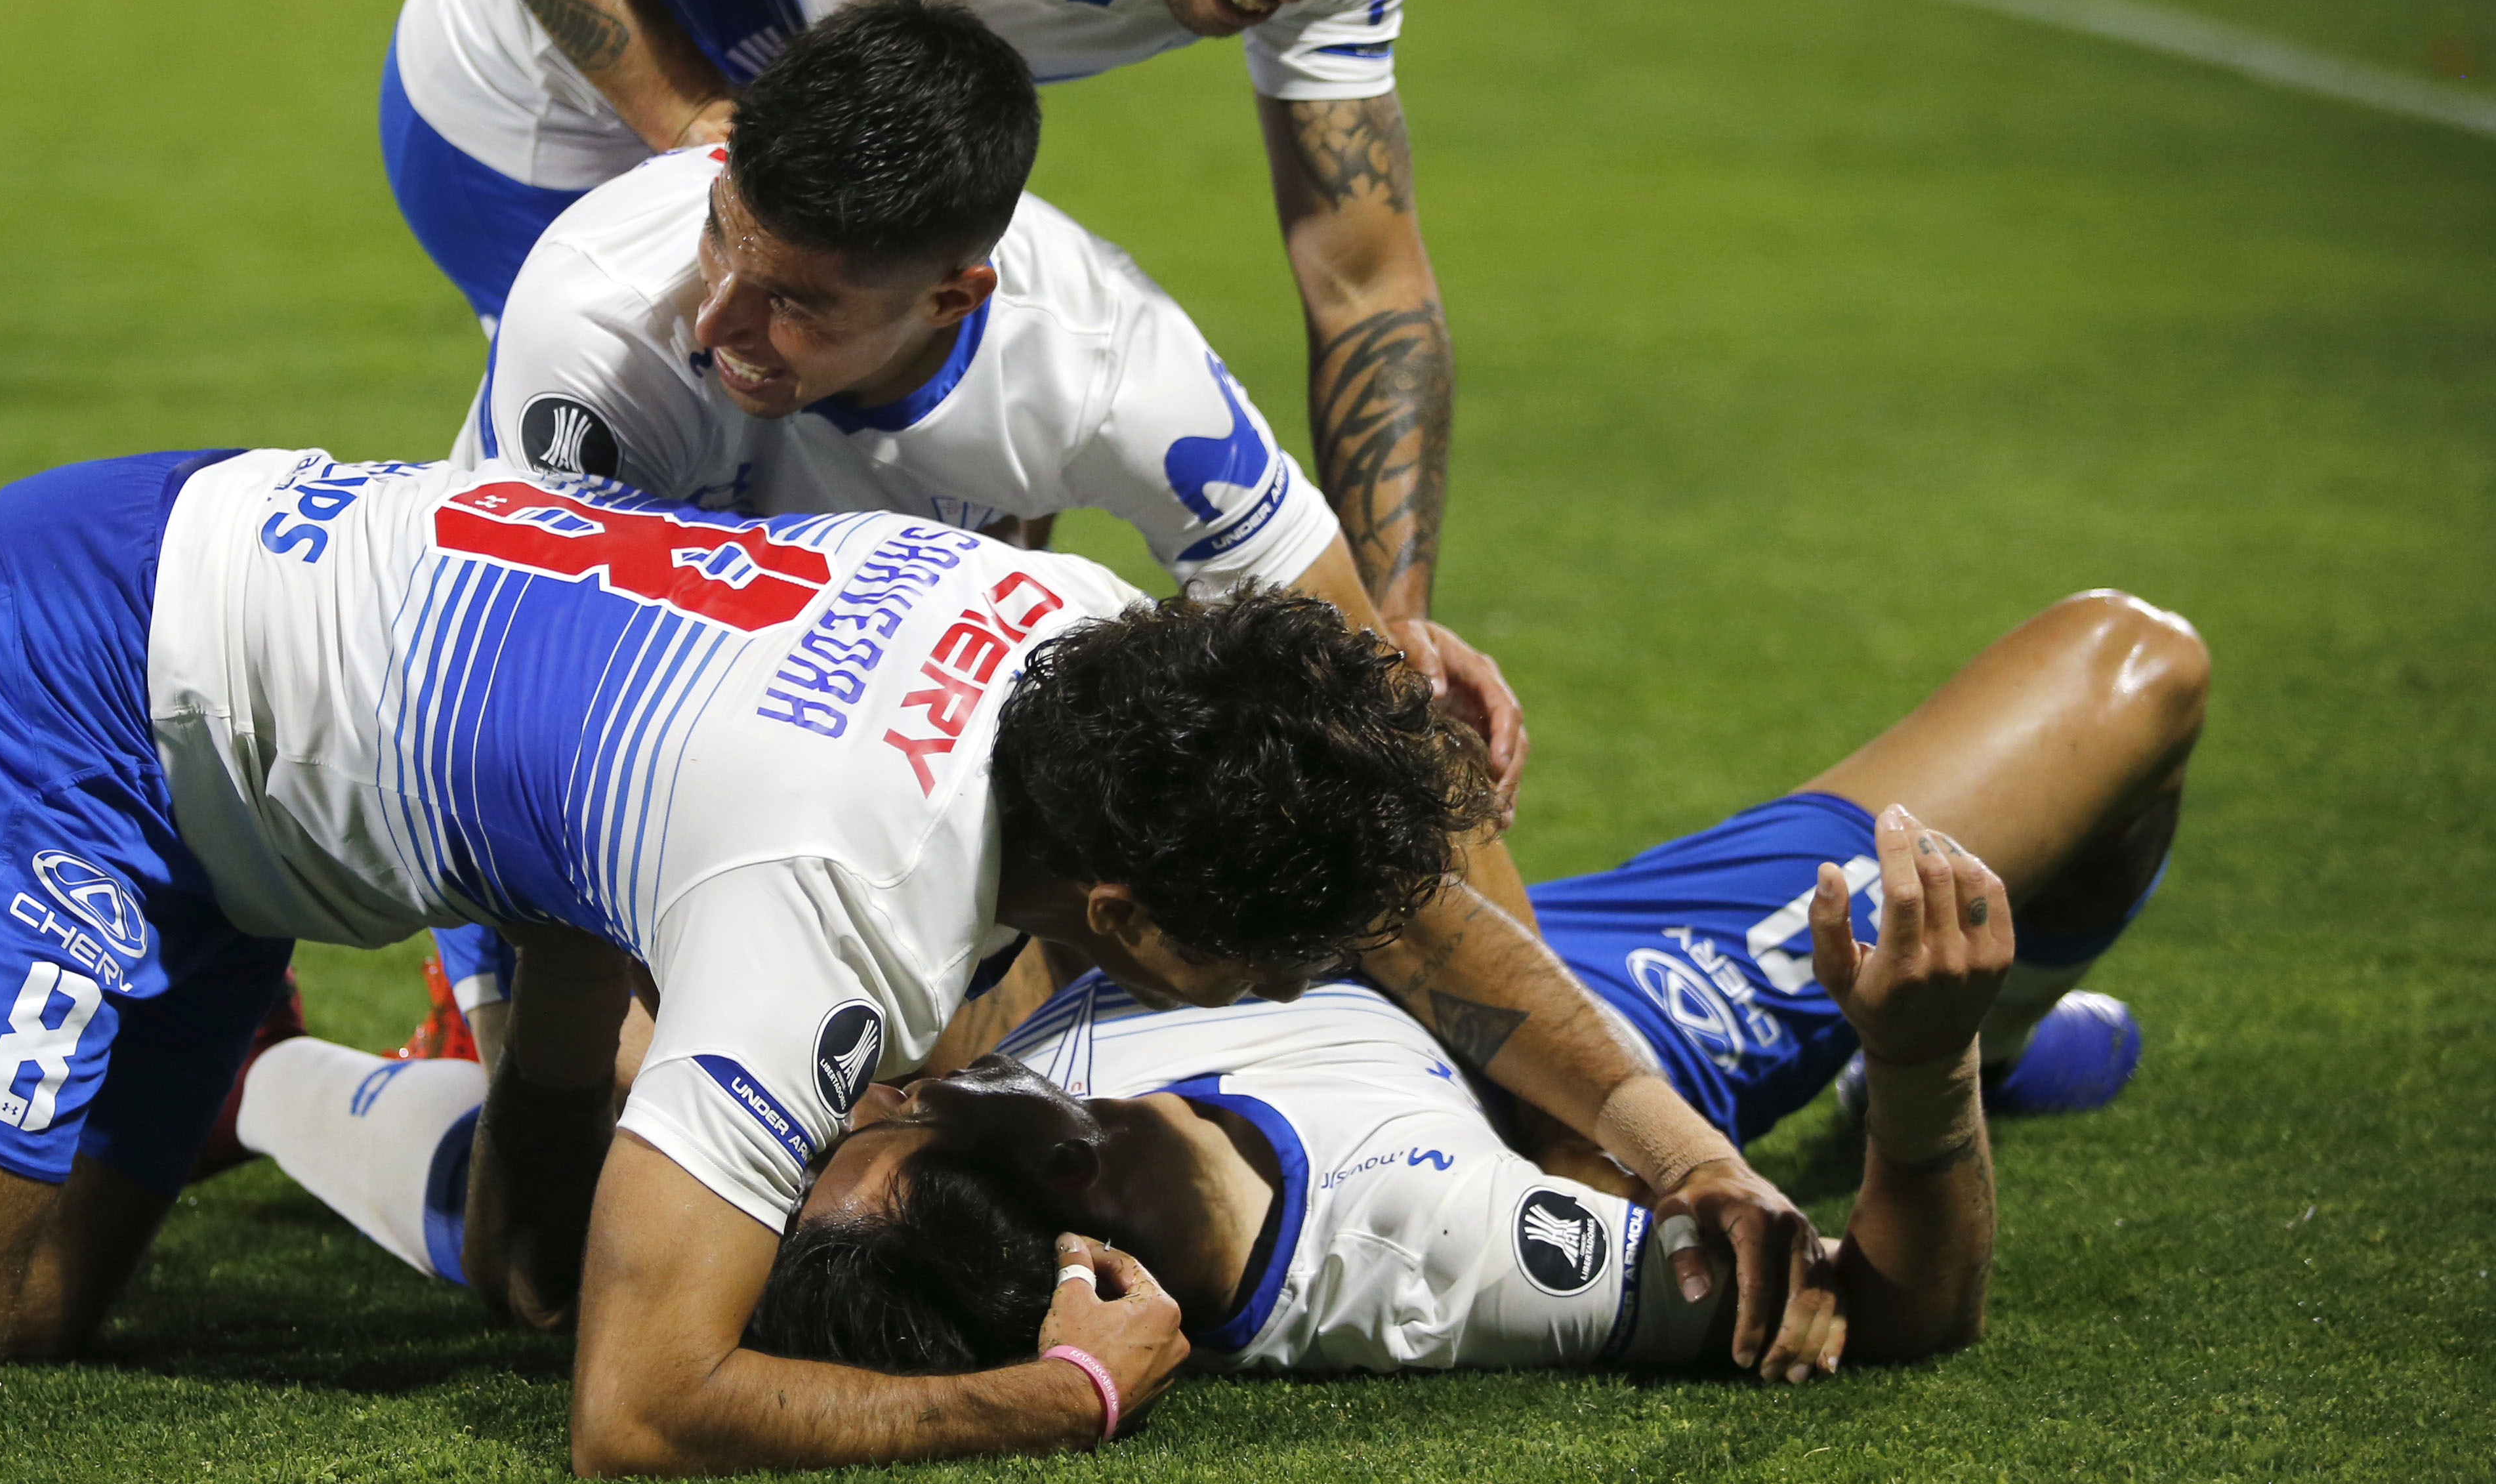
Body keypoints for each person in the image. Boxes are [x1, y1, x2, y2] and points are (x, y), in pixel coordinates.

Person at [0, 452, 1816, 1474]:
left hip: (262, 703)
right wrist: (1045, 1385)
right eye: (1214, 952)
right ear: (1109, 918)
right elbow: (635, 1399)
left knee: (41, 1307)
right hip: (78, 688)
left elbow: (1401, 898)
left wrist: (1684, 1155)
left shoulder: (1071, 633)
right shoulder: (835, 904)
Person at [402, 0, 1515, 664]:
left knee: (961, 525)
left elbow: (1365, 275)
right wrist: (696, 120)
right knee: (664, 565)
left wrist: (1393, 625)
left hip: (815, 134)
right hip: (539, 101)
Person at [391, 0, 1528, 1046]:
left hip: (856, 740)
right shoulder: (599, 329)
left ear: (952, 297)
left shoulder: (1113, 370)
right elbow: (541, 719)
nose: (719, 317)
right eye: (720, 234)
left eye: (794, 303)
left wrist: (1609, 1128)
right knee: (661, 1149)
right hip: (552, 736)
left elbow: (1360, 723)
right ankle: (348, 1075)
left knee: (910, 1153)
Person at [751, 589, 2202, 1393]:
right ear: (1074, 1185)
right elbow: (1893, 1311)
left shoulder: (979, 1121)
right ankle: (1994, 1037)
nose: (898, 1090)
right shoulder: (1429, 1244)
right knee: (2133, 672)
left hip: (1403, 943)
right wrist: (1922, 1063)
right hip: (1604, 1022)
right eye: (926, 1112)